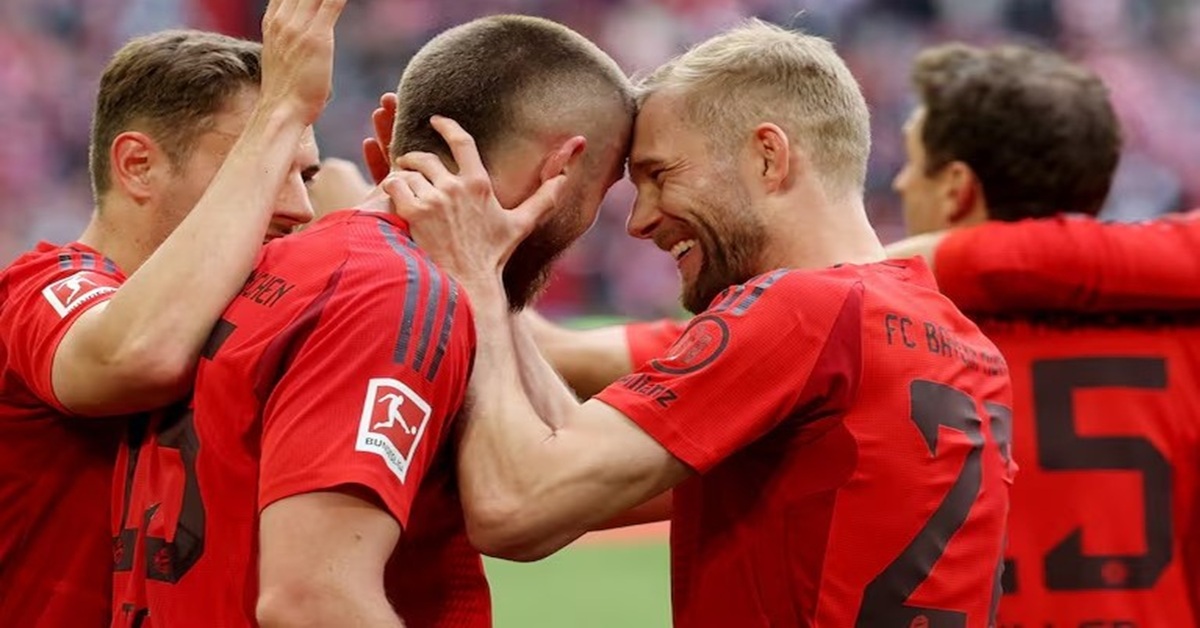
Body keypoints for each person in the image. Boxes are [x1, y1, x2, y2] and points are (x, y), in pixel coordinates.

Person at [386, 19, 1013, 626]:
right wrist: (496, 270)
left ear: (768, 156)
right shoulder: (956, 339)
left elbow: (514, 506)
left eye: (660, 175)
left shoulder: (803, 309)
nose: (640, 221)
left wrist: (472, 271)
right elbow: (578, 468)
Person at [112, 14, 634, 627]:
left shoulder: (286, 257)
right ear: (563, 167)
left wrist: (482, 277)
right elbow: (312, 601)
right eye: (610, 182)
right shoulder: (392, 289)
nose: (627, 220)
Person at [0, 0, 341, 623]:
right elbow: (133, 355)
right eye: (258, 164)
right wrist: (283, 107)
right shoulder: (42, 289)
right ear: (139, 165)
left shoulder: (249, 317)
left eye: (306, 175)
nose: (299, 208)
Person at [882, 43, 1200, 626]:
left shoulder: (880, 342)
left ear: (957, 188)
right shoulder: (1186, 331)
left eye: (910, 160)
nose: (900, 183)